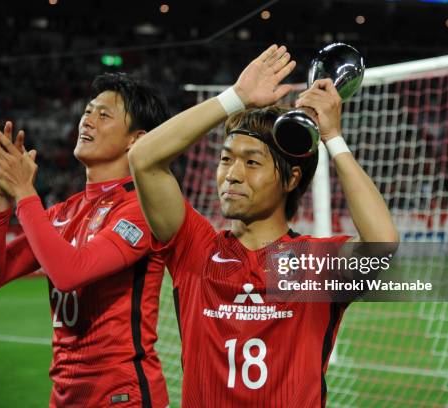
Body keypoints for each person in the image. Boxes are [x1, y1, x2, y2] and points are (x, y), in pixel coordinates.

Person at [128, 45, 399, 407]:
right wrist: (235, 98)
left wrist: (333, 137)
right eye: (226, 159)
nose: (232, 176)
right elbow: (143, 158)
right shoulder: (195, 248)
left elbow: (382, 243)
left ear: (290, 180)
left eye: (252, 162)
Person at [0, 73, 170, 407]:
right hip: (64, 396)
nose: (87, 120)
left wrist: (24, 193)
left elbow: (69, 273)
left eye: (103, 115)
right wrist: (1, 202)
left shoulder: (140, 210)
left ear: (136, 139)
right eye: (87, 111)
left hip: (122, 397)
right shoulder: (65, 212)